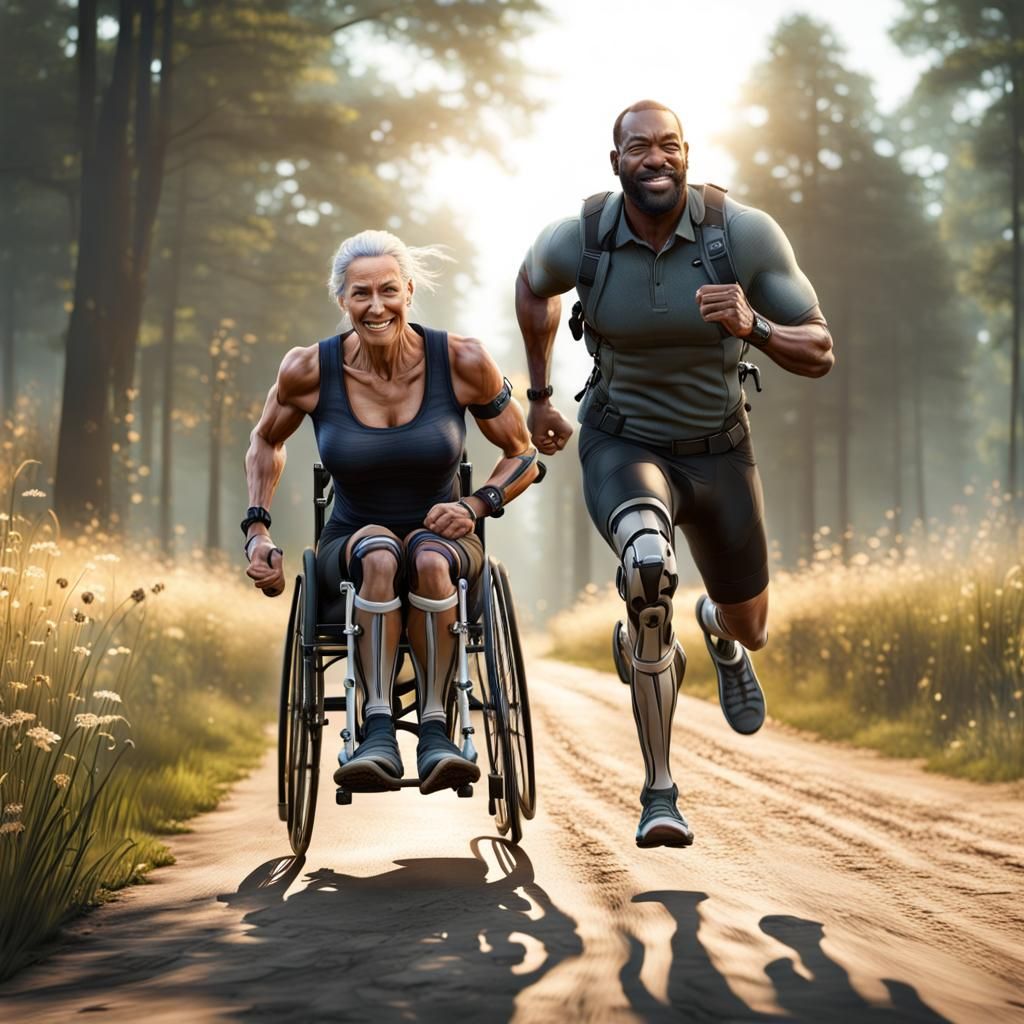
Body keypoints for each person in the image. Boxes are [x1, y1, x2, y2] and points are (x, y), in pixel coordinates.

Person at [515, 100, 834, 849]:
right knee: (649, 569)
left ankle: (717, 635)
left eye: (668, 146)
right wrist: (538, 396)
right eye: (638, 147)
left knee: (753, 625)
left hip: (721, 450)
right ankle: (660, 792)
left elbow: (820, 350)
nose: (654, 158)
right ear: (616, 159)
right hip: (622, 443)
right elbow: (532, 284)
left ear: (687, 154)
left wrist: (751, 323)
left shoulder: (741, 234)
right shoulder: (582, 238)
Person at [243, 229, 539, 796]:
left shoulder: (463, 360)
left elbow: (522, 453)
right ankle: (376, 731)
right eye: (360, 295)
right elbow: (265, 442)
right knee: (379, 551)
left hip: (444, 536)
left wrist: (478, 504)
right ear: (342, 301)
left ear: (408, 291)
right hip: (351, 540)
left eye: (387, 291)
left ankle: (435, 733)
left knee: (427, 556)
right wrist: (258, 532)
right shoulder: (308, 370)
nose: (375, 307)